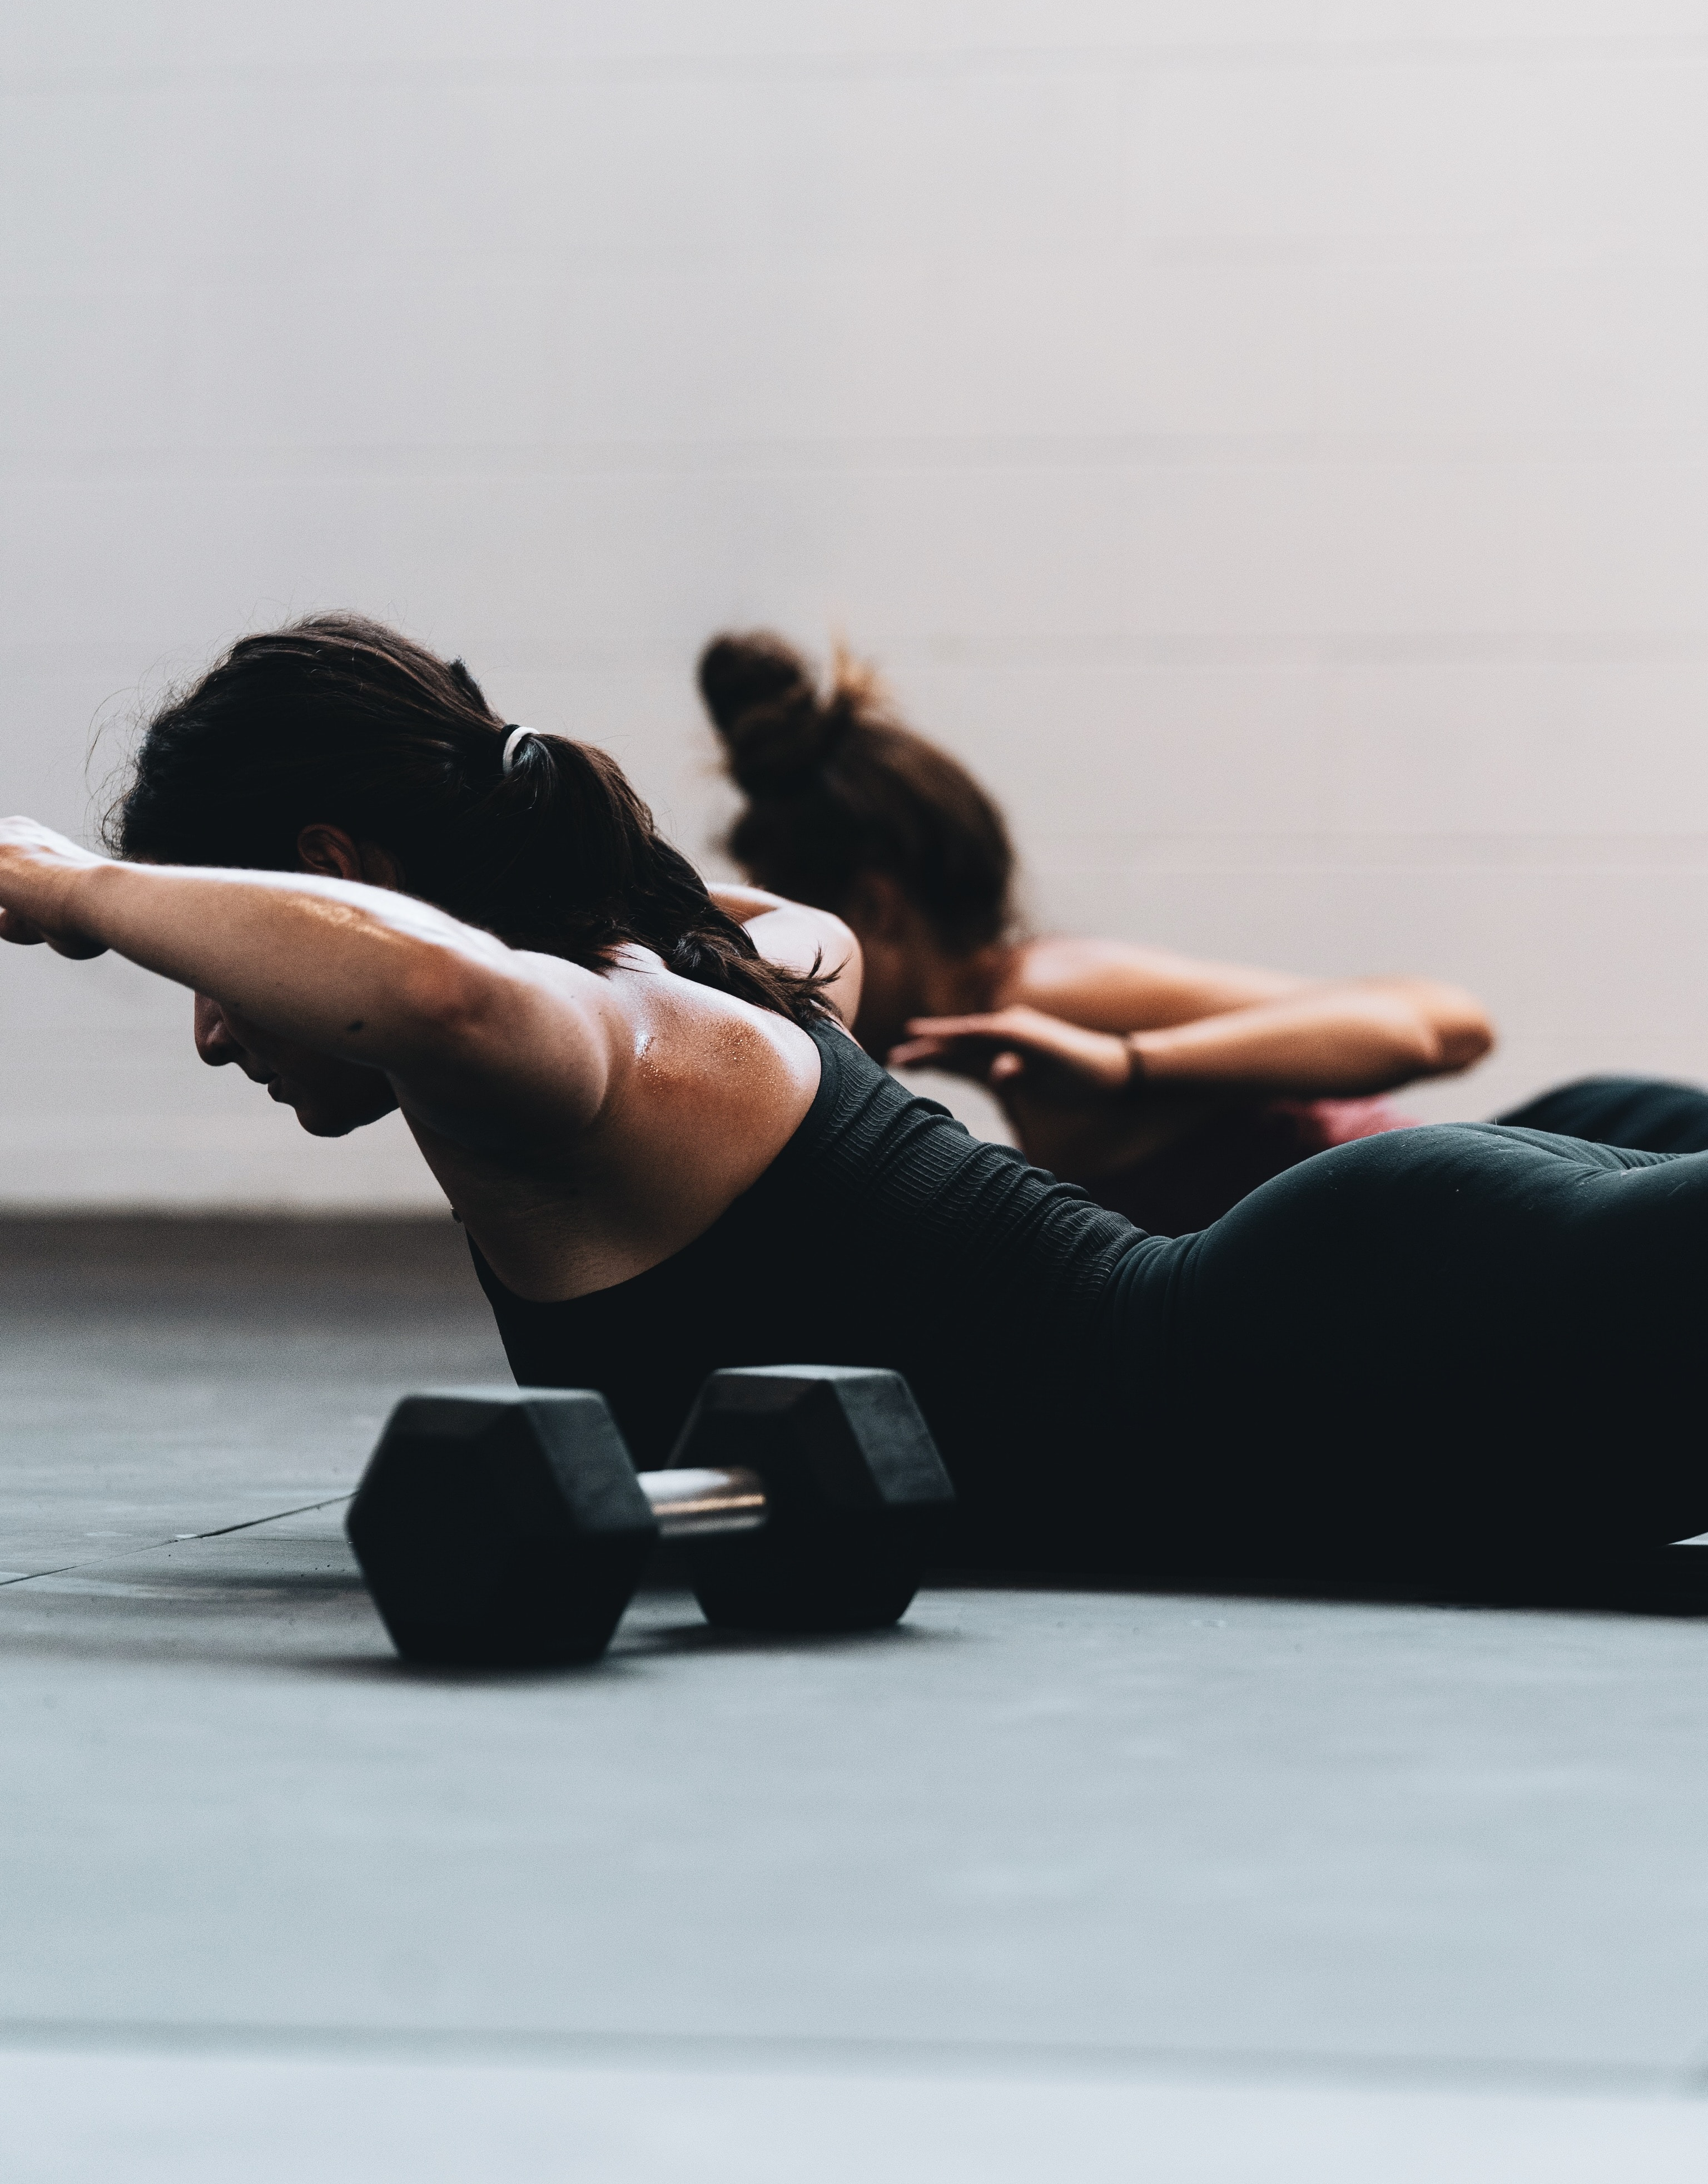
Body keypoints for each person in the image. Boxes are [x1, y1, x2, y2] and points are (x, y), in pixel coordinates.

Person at [4, 613, 1705, 1578]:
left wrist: (73, 890)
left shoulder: (581, 1051)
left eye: (217, 956)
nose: (217, 1028)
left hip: (1349, 1356)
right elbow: (511, 941)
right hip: (1363, 1360)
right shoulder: (727, 963)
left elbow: (431, 980)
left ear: (328, 874)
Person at [698, 631, 1708, 1232]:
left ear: (875, 909)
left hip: (1565, 1181)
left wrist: (1130, 1065)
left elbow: (1442, 1026)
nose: (783, 980)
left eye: (793, 939)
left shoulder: (1050, 994)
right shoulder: (1021, 1045)